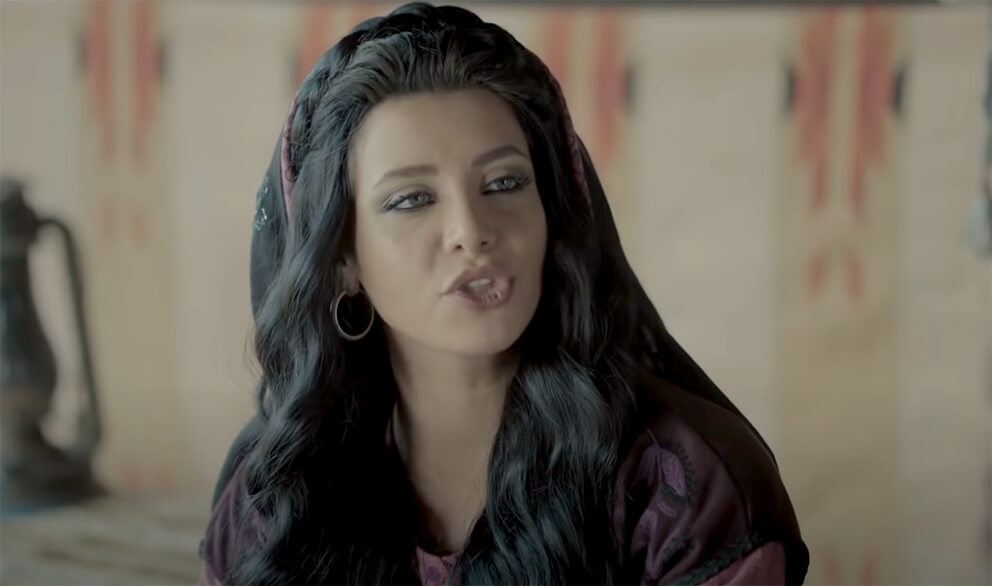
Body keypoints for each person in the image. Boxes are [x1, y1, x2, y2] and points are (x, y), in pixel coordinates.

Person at [198, 3, 809, 584]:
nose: (471, 231)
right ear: (342, 261)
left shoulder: (675, 488)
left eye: (504, 182)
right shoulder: (276, 488)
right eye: (411, 199)